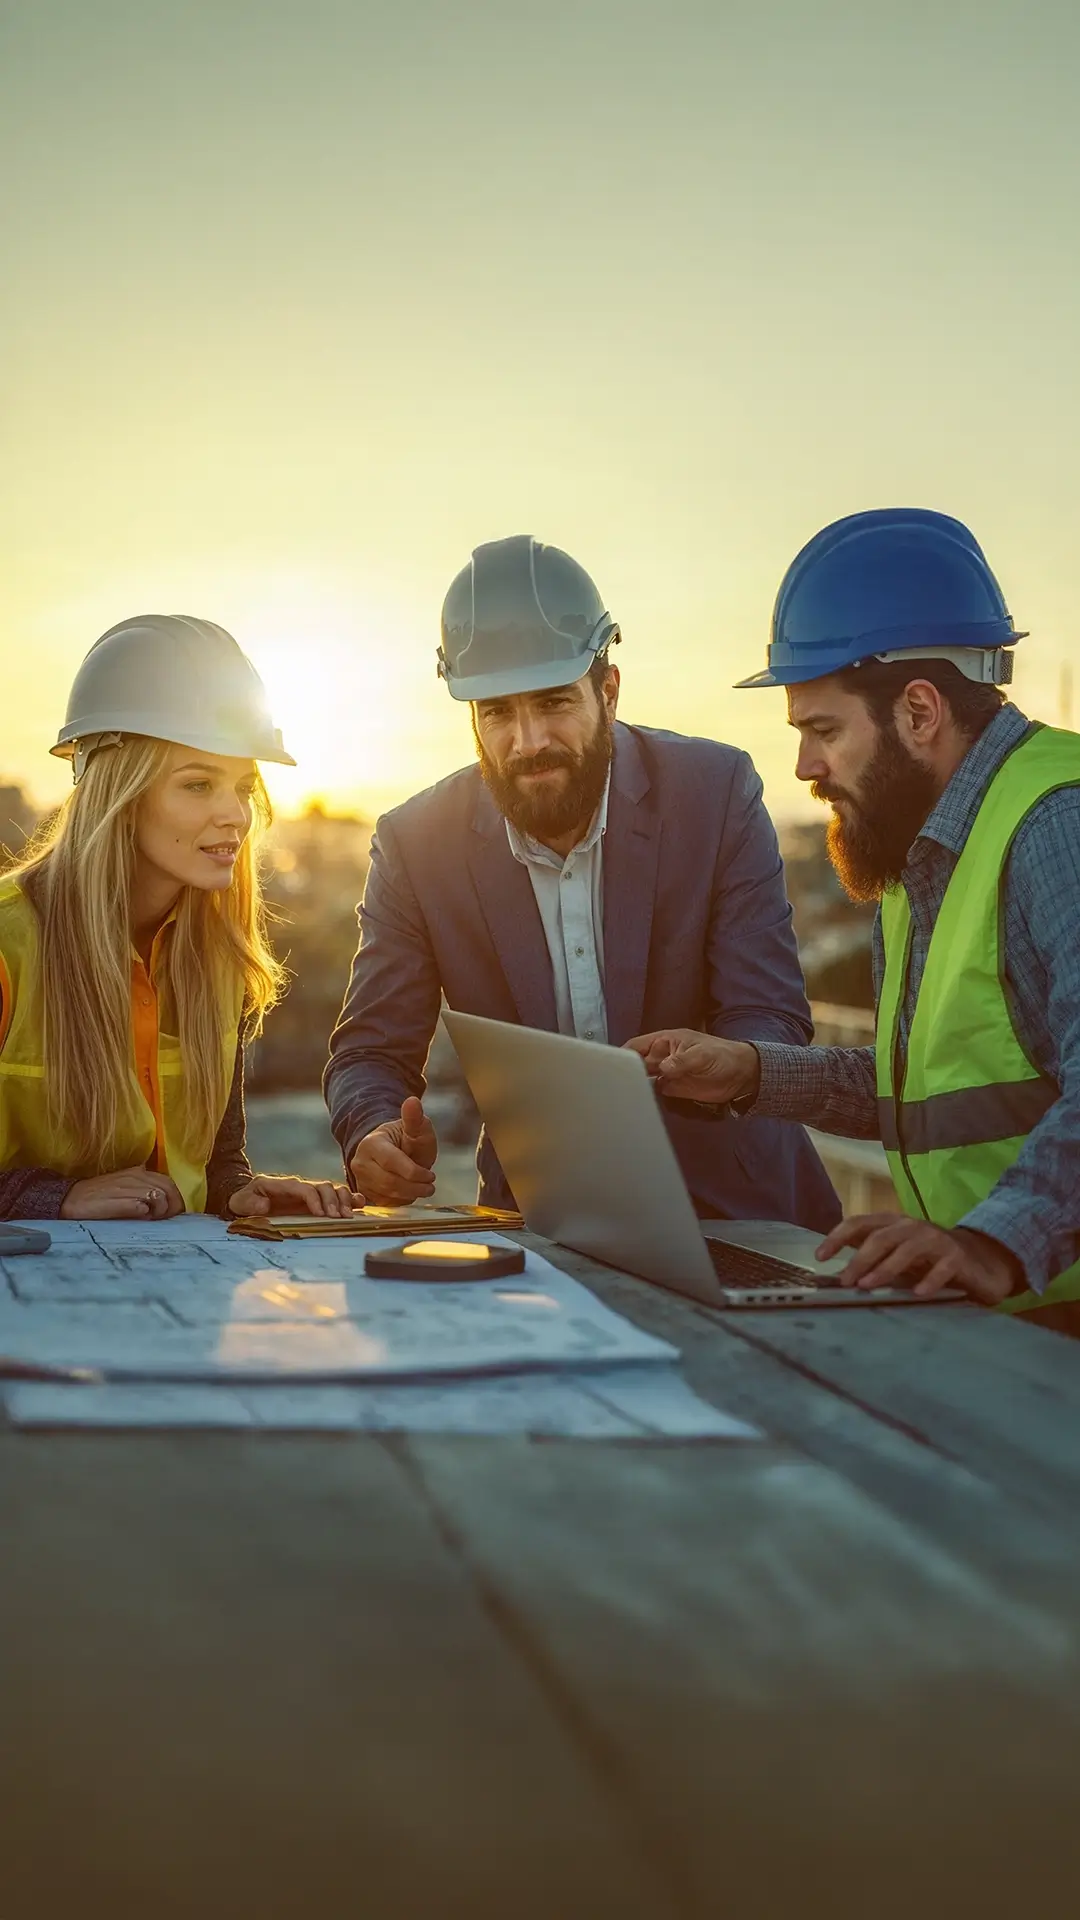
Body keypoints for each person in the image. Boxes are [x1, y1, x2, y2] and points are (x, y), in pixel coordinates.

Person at [627, 509, 1080, 1329]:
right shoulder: (922, 856)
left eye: (823, 730)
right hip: (1005, 1317)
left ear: (918, 711)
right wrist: (750, 1072)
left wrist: (992, 1244)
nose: (804, 767)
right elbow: (930, 1087)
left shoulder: (1057, 825)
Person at [325, 534, 839, 1230]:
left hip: (740, 1211)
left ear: (609, 690)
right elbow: (371, 1051)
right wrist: (373, 1130)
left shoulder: (714, 794)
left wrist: (733, 1061)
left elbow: (771, 1015)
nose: (528, 740)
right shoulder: (417, 845)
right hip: (540, 1223)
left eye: (552, 703)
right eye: (497, 713)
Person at [0, 615, 363, 1223]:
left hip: (178, 1298)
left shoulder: (220, 959)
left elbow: (215, 1161)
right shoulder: (9, 948)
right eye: (197, 785)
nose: (235, 817)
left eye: (243, 788)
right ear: (119, 790)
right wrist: (52, 1197)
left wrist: (240, 1189)